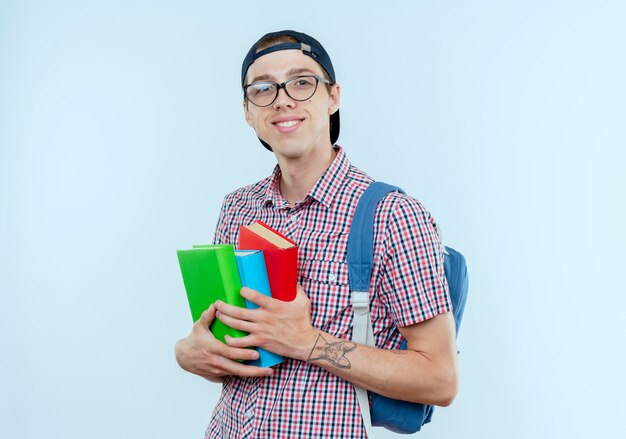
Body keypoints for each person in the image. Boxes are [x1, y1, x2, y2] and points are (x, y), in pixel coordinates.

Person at [175, 30, 458, 438]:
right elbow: (237, 349)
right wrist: (191, 353)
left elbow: (441, 379)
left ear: (333, 97)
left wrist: (306, 341)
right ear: (247, 111)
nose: (283, 99)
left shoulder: (393, 215)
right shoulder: (237, 208)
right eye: (263, 88)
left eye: (302, 82)